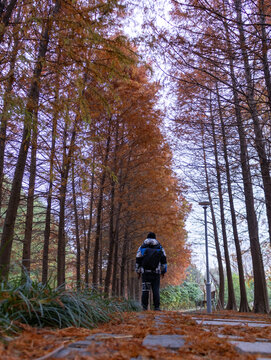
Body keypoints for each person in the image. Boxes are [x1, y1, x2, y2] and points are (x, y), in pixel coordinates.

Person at [135, 232, 167, 311]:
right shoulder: (159, 247)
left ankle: (144, 307)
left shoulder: (142, 247)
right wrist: (163, 271)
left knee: (145, 289)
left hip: (145, 272)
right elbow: (164, 260)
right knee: (155, 289)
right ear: (155, 238)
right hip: (156, 272)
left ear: (147, 238)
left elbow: (138, 259)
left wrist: (138, 271)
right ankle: (157, 307)